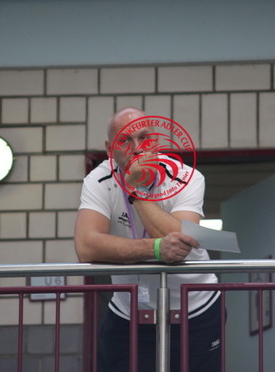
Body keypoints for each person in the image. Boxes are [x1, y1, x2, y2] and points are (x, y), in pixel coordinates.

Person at [74, 107, 221, 372]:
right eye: (125, 140)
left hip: (196, 310)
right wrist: (155, 248)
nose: (137, 148)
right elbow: (86, 246)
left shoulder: (186, 177)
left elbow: (183, 241)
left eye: (144, 138)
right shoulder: (98, 180)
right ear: (110, 149)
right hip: (129, 313)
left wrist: (135, 190)